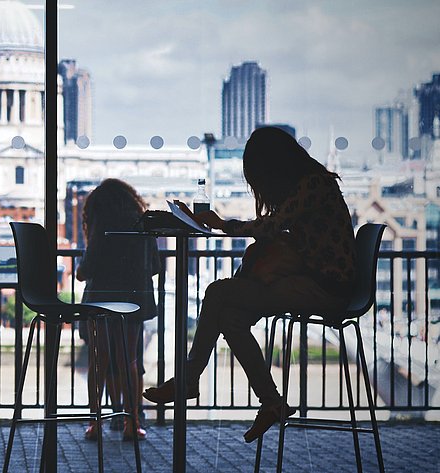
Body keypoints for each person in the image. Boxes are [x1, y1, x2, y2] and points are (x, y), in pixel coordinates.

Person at [142, 126, 357, 443]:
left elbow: (271, 227)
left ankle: (190, 380)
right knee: (229, 317)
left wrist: (221, 224)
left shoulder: (313, 184)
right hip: (316, 284)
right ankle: (270, 403)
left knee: (217, 293)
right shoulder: (315, 183)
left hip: (323, 288)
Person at [76, 178, 159, 441]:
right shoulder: (142, 220)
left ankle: (95, 423)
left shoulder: (103, 223)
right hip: (134, 299)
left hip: (102, 298)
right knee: (130, 361)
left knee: (98, 361)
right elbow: (155, 266)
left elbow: (86, 268)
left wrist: (81, 270)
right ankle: (132, 422)